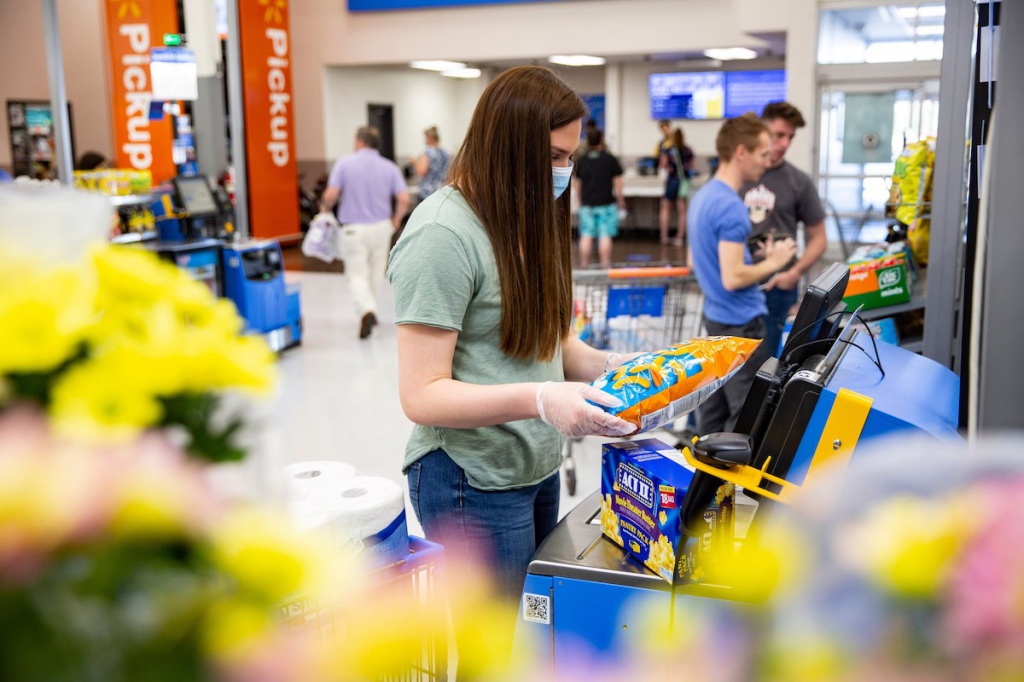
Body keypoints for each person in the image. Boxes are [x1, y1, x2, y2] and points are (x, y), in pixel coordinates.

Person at [386, 66, 635, 628]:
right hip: (470, 480)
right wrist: (542, 399)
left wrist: (613, 368)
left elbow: (551, 339)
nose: (563, 171)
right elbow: (422, 395)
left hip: (534, 462)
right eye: (551, 155)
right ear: (507, 145)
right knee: (497, 647)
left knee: (531, 638)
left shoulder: (525, 218)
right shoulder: (442, 235)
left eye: (569, 156)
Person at [689, 113, 797, 436]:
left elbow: (709, 260)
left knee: (715, 410)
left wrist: (754, 255)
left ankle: (702, 483)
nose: (767, 163)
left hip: (717, 320)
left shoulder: (704, 197)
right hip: (741, 325)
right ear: (741, 152)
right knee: (747, 416)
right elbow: (733, 277)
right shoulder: (731, 206)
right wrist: (775, 261)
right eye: (763, 155)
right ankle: (730, 485)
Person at [741, 101, 828, 358]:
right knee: (731, 366)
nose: (784, 144)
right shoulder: (740, 174)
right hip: (738, 284)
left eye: (790, 137)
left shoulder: (798, 181)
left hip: (778, 287)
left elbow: (819, 238)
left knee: (765, 364)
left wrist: (795, 272)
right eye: (779, 135)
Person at [321, 126, 409, 339]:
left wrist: (323, 208)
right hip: (382, 228)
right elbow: (404, 199)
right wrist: (396, 221)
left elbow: (332, 194)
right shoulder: (389, 167)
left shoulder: (344, 163)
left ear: (360, 141)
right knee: (376, 272)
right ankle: (372, 309)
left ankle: (366, 309)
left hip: (354, 230)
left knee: (356, 274)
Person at [573, 127, 626, 267]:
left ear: (587, 142)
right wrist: (621, 203)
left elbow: (577, 185)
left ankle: (584, 266)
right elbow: (618, 184)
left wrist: (580, 203)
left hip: (587, 205)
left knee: (586, 235)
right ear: (601, 140)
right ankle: (605, 266)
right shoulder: (610, 159)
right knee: (605, 235)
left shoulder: (581, 160)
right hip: (606, 204)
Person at [655, 120, 694, 248]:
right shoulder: (688, 150)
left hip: (672, 180)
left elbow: (663, 164)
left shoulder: (668, 149)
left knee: (665, 207)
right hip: (684, 181)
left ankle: (664, 236)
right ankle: (680, 237)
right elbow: (692, 166)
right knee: (682, 210)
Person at [412, 126, 450, 202]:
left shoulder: (428, 153)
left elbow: (422, 171)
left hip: (427, 193)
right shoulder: (445, 153)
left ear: (429, 138)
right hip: (441, 191)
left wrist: (414, 163)